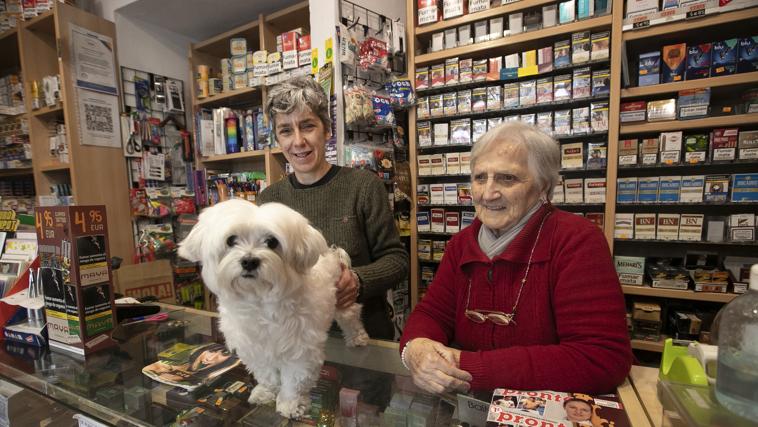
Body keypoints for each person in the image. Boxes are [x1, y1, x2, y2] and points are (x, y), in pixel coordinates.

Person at [399, 122, 632, 394]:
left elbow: (601, 357)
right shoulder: (461, 244)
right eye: (479, 177)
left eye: (507, 178)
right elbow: (432, 313)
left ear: (543, 185)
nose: (488, 193)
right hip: (468, 408)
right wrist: (415, 348)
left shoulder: (576, 240)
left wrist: (467, 366)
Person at [258, 76, 408, 340]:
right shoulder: (269, 200)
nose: (298, 141)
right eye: (285, 131)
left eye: (307, 126)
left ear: (326, 130)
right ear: (277, 139)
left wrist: (358, 281)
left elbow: (396, 261)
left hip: (362, 340)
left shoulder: (363, 186)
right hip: (297, 341)